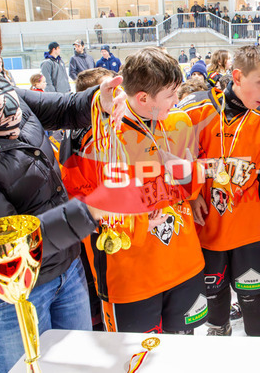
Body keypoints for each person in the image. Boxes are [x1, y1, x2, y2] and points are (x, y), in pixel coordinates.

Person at [0, 0, 126, 373]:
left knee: (80, 367)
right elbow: (11, 239)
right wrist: (94, 208)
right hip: (10, 294)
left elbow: (60, 107)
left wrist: (98, 100)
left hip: (65, 266)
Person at [62, 47, 206, 335]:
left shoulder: (178, 121)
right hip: (131, 277)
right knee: (137, 356)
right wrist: (138, 222)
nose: (177, 100)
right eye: (170, 95)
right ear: (143, 98)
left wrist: (190, 174)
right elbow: (83, 211)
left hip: (184, 263)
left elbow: (189, 188)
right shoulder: (95, 140)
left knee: (183, 350)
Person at [179, 45, 260, 337]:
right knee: (213, 294)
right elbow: (175, 160)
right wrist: (192, 195)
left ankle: (256, 341)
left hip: (250, 228)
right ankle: (220, 331)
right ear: (238, 76)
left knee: (253, 299)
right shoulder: (195, 109)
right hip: (206, 224)